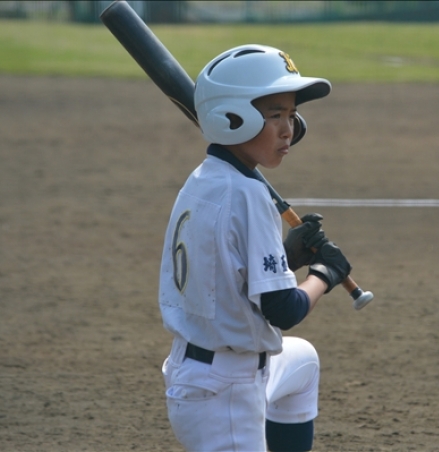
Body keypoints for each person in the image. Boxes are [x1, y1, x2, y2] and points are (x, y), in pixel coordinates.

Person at [159, 44, 352, 452]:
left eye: (292, 115)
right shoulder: (249, 195)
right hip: (224, 397)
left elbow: (228, 272)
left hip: (201, 370)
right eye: (275, 114)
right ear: (231, 117)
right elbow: (283, 310)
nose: (288, 129)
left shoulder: (204, 178)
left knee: (302, 362)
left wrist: (287, 259)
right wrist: (324, 275)